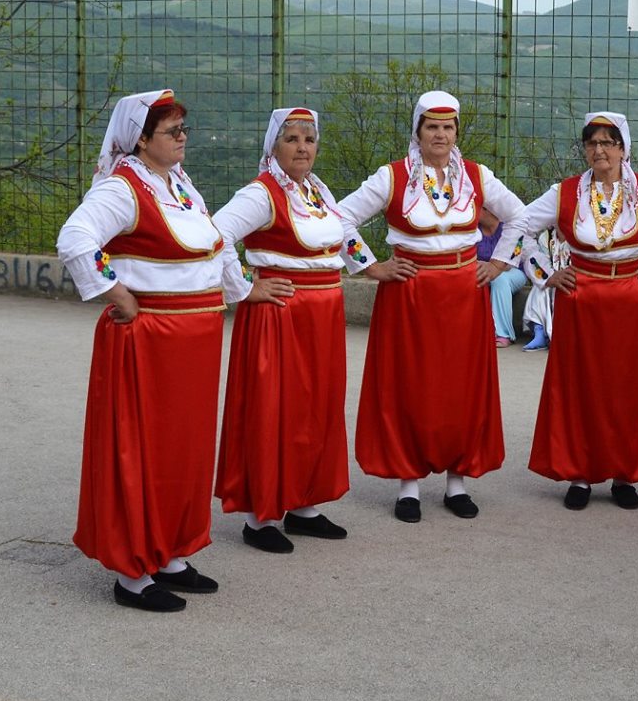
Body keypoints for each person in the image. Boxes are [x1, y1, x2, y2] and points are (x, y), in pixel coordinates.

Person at [57, 90, 292, 612]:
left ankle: (169, 553)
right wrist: (115, 292)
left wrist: (241, 290)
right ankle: (132, 572)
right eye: (172, 131)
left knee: (185, 450)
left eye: (184, 128)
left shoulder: (179, 185)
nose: (183, 138)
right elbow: (75, 238)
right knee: (144, 449)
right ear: (141, 140)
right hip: (153, 341)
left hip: (194, 343)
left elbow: (216, 244)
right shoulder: (123, 188)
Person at [332, 90, 529, 522]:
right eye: (432, 127)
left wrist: (499, 262)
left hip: (464, 293)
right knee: (411, 385)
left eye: (448, 127)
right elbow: (339, 217)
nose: (440, 135)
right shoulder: (392, 176)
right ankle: (409, 485)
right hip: (410, 292)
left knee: (461, 386)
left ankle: (457, 482)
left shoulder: (477, 176)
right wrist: (371, 266)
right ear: (418, 131)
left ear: (457, 132)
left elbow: (520, 216)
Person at [496, 112, 638, 510]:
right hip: (582, 299)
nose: (599, 150)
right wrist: (545, 274)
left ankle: (625, 474)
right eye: (592, 143)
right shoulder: (565, 192)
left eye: (608, 142)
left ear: (624, 149)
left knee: (628, 387)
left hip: (632, 301)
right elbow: (521, 224)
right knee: (581, 387)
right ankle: (580, 474)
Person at [213, 106, 385, 554]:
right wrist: (245, 287)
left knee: (316, 407)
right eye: (291, 139)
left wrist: (371, 267)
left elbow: (340, 234)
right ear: (274, 147)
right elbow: (214, 235)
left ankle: (303, 503)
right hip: (281, 314)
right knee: (276, 408)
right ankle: (260, 517)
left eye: (309, 139)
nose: (302, 147)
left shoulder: (316, 191)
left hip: (322, 315)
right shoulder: (261, 194)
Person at [483, 208, 530, 347]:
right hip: (484, 271)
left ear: (489, 211)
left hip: (513, 271)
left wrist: (493, 267)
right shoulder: (474, 231)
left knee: (500, 279)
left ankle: (503, 334)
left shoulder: (509, 228)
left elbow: (511, 261)